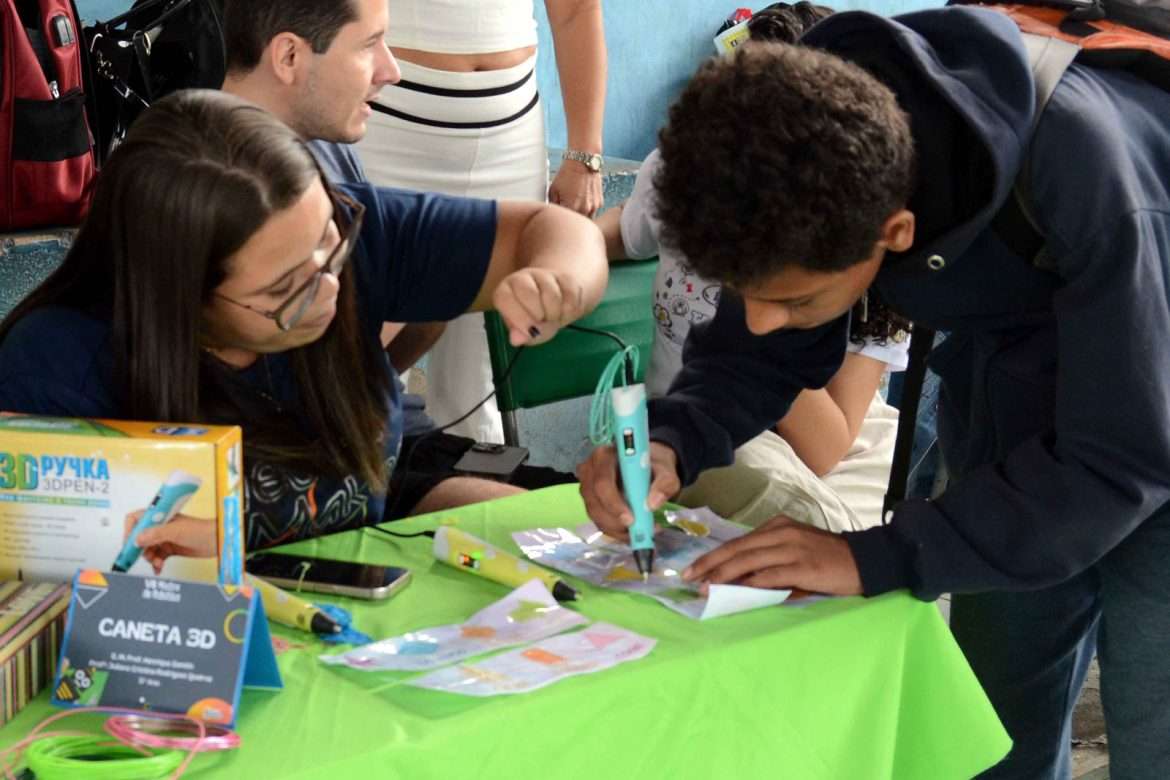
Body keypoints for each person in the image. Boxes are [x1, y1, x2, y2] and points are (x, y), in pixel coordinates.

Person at [578, 9, 1170, 779]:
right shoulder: (800, 143)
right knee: (989, 732)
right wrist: (674, 438)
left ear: (896, 233)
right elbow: (757, 345)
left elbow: (1124, 454)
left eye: (794, 301)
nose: (763, 322)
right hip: (1020, 404)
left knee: (1155, 727)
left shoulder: (1092, 180)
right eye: (748, 295)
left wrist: (879, 554)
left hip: (1150, 415)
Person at [0, 89, 607, 557]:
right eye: (283, 290)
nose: (328, 289)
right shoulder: (57, 370)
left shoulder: (340, 232)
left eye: (330, 245)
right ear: (178, 297)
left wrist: (558, 280)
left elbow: (552, 230)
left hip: (369, 549)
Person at [218, 0, 576, 522]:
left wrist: (558, 279)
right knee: (557, 526)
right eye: (369, 45)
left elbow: (557, 235)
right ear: (289, 56)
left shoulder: (332, 149)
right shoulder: (207, 186)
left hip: (397, 448)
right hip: (320, 473)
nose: (393, 70)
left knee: (585, 512)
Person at [596, 1, 908, 532]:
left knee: (828, 524)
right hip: (713, 425)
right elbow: (623, 230)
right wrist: (561, 251)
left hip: (820, 441)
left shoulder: (871, 255)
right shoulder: (695, 179)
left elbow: (828, 447)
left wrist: (766, 334)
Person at [357, 0, 608, 443]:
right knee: (364, 367)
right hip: (386, 124)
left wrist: (585, 156)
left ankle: (469, 480)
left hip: (509, 138)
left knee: (480, 377)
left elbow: (576, 11)